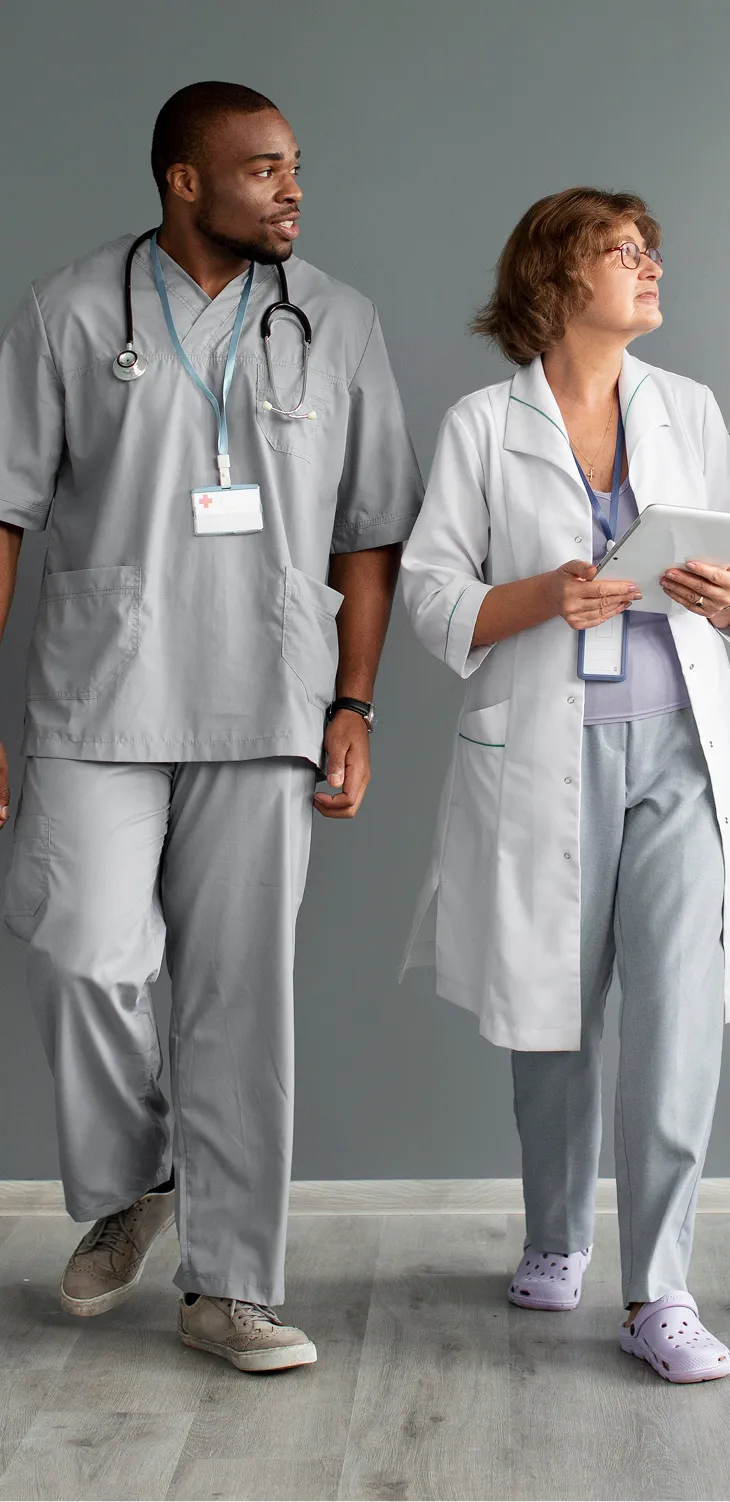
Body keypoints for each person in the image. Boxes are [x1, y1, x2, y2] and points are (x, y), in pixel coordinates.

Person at [0, 81, 422, 1371]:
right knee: (78, 946)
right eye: (261, 169)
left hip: (270, 693)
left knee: (243, 1001)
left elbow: (369, 531)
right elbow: (6, 512)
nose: (292, 188)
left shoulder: (338, 321)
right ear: (184, 181)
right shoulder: (72, 312)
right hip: (101, 689)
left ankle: (230, 1285)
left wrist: (354, 702)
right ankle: (140, 1174)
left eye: (295, 164)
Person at [400, 188, 730, 1383]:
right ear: (559, 280)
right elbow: (433, 595)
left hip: (678, 746)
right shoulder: (479, 425)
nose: (652, 266)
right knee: (549, 1015)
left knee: (675, 1018)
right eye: (626, 251)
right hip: (546, 754)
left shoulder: (690, 407)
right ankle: (555, 1231)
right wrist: (543, 595)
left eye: (652, 247)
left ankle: (659, 1287)